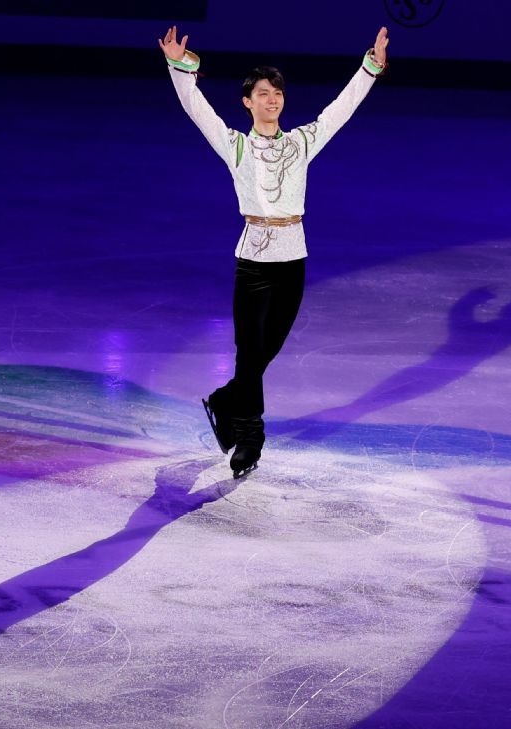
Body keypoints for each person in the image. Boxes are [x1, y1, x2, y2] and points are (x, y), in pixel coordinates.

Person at [157, 24, 389, 478]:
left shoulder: (301, 143)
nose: (272, 99)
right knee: (249, 352)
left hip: (293, 258)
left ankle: (225, 400)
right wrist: (179, 69)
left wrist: (370, 68)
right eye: (263, 93)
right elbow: (195, 108)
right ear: (248, 102)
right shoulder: (237, 146)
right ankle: (249, 437)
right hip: (254, 262)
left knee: (267, 351)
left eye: (277, 92)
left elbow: (340, 110)